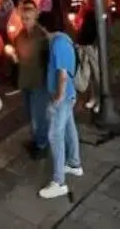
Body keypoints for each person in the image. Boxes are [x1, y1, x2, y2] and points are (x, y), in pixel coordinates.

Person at [39, 32, 82, 199]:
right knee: (69, 127)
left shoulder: (58, 43)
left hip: (62, 97)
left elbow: (62, 75)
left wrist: (58, 97)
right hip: (66, 95)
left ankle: (59, 182)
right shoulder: (63, 40)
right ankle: (74, 163)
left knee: (55, 135)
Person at [11, 6, 50, 159]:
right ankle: (36, 139)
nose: (24, 21)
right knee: (30, 113)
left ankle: (42, 144)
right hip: (25, 80)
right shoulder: (21, 34)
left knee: (38, 115)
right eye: (23, 18)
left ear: (35, 18)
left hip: (38, 81)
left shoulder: (41, 36)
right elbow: (17, 51)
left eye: (28, 18)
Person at [74, 0, 100, 112]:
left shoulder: (94, 7)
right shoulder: (83, 6)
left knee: (96, 72)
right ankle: (93, 96)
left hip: (91, 43)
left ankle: (100, 99)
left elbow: (93, 26)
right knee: (87, 72)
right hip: (83, 42)